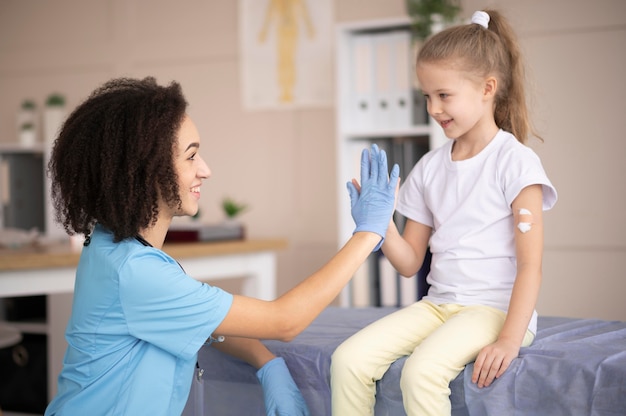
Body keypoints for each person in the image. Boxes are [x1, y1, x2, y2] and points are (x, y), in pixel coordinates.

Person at [43, 77, 399, 416]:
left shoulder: (114, 248)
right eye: (191, 156)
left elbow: (202, 319)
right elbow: (284, 321)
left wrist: (265, 361)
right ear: (146, 171)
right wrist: (367, 234)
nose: (206, 170)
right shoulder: (136, 273)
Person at [331, 9, 558, 415]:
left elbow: (530, 267)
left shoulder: (516, 163)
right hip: (437, 306)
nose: (433, 109)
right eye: (427, 97)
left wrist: (509, 338)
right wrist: (380, 224)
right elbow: (409, 262)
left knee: (421, 372)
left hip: (494, 308)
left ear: (488, 88)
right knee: (347, 361)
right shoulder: (430, 168)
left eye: (444, 95)